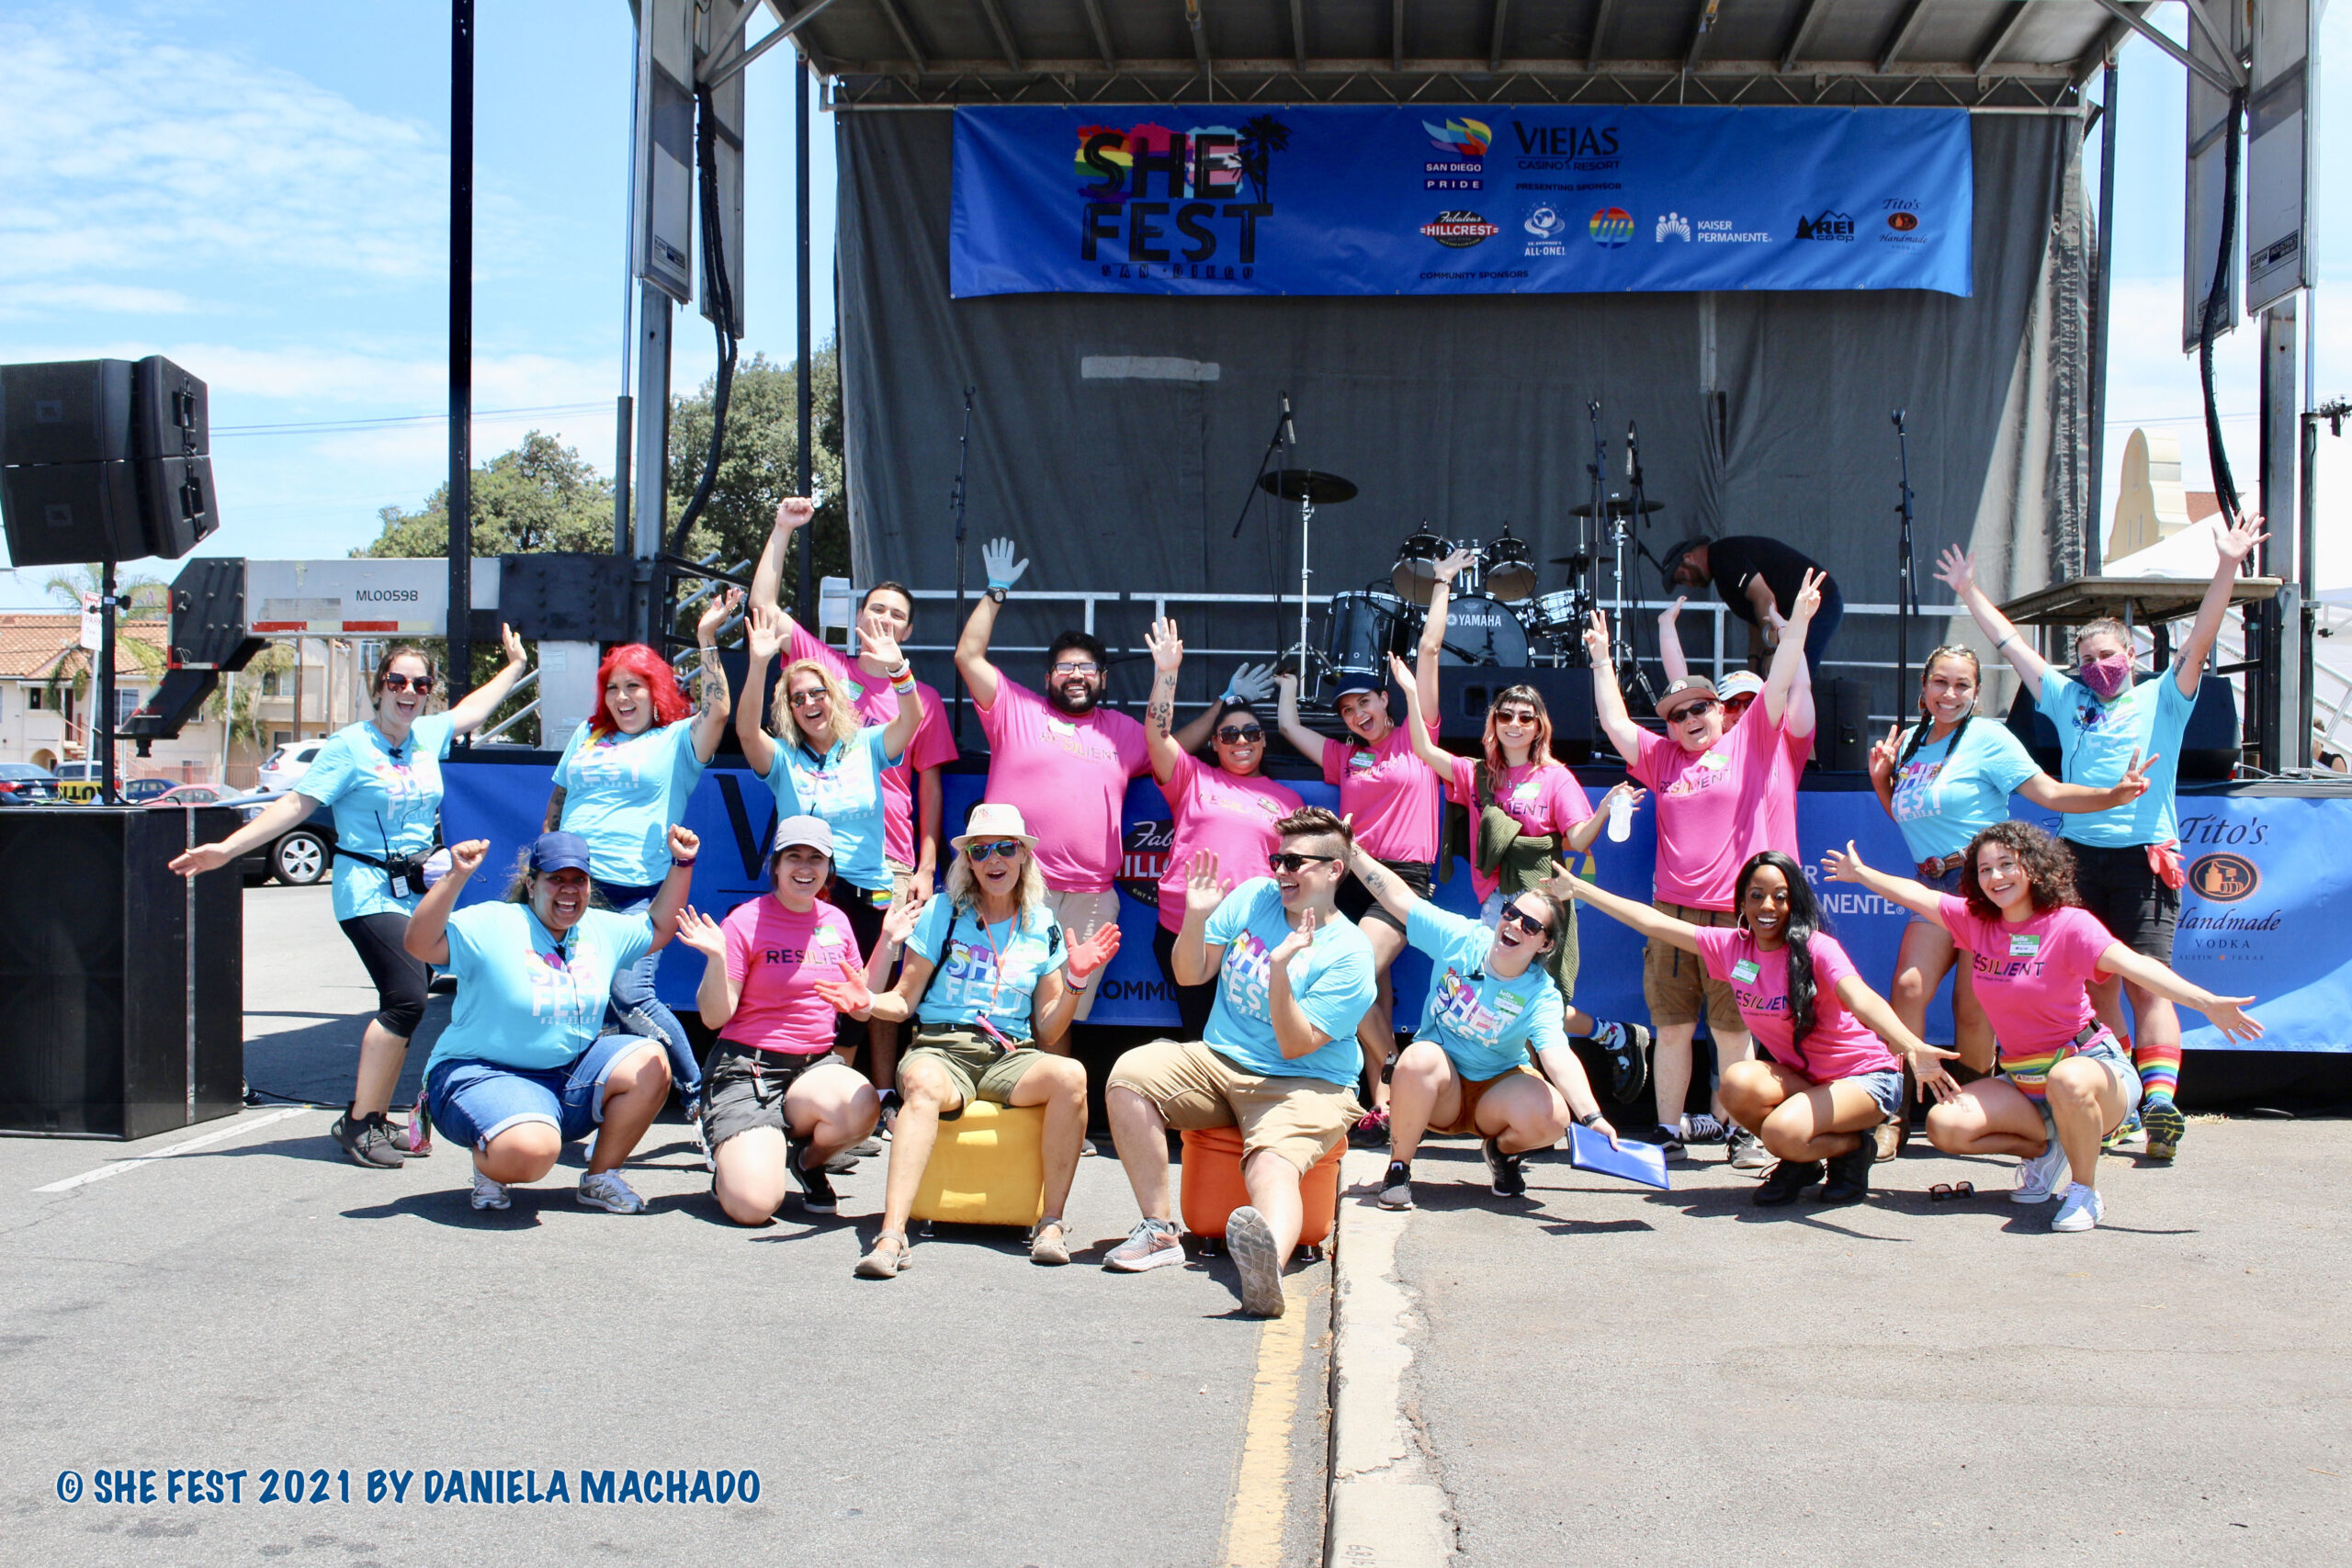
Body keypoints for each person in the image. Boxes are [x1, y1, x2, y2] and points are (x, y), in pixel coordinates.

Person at [1937, 513, 2264, 1160]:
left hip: (2145, 856)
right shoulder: (2066, 697)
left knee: (2149, 980)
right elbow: (2010, 645)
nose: (2097, 667)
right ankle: (2126, 1110)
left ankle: (2162, 1099)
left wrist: (2227, 564)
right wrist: (1970, 592)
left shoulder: (2167, 696)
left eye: (2108, 657)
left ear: (2133, 656)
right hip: (2076, 859)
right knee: (2095, 985)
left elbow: (2201, 635)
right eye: (2087, 659)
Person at [168, 631, 532, 1168]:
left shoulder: (425, 734)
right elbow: (295, 803)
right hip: (365, 891)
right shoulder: (348, 747)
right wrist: (227, 848)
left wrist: (517, 664)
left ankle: (378, 1117)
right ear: (378, 687)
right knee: (407, 997)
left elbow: (473, 710)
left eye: (420, 684)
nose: (409, 691)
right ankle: (359, 1122)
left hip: (417, 893)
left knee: (408, 1004)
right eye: (398, 681)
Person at [1825, 823, 2262, 1231]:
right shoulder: (1978, 921)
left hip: (2091, 1068)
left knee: (2068, 1080)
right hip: (2023, 1081)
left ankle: (2085, 1190)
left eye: (2006, 865)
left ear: (2032, 866)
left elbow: (2138, 966)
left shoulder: (2070, 925)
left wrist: (2206, 1002)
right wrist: (1861, 874)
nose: (1996, 877)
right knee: (1944, 1126)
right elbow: (1915, 895)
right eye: (1985, 870)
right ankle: (2048, 1148)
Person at [1865, 644, 2153, 1156]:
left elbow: (2050, 793)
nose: (1950, 694)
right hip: (1934, 886)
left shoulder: (1990, 738)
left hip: (1986, 890)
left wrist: (2113, 794)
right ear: (1923, 687)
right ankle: (1895, 1112)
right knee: (1908, 988)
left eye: (1962, 686)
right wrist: (1880, 780)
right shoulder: (1908, 743)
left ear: (1976, 693)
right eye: (1940, 683)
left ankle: (1973, 1102)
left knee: (1972, 1007)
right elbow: (1910, 817)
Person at [814, 804, 1119, 1278]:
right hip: (942, 1046)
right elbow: (903, 1001)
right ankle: (892, 1235)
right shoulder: (942, 912)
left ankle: (1052, 1224)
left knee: (1071, 1074)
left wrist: (1076, 981)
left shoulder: (1042, 924)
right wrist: (868, 1003)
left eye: (1006, 847)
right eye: (981, 850)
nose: (993, 858)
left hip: (1009, 1054)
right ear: (969, 861)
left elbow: (1049, 1029)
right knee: (919, 1083)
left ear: (1023, 857)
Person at [1555, 851, 1959, 1206]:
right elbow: (1652, 921)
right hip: (1806, 1080)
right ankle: (1823, 1157)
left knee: (1781, 1133)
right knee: (1737, 1084)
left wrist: (1910, 1045)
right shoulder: (1733, 948)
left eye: (1781, 896)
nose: (1769, 905)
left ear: (1795, 902)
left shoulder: (1816, 948)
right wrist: (1580, 889)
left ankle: (1841, 1149)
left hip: (1865, 1079)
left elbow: (1861, 998)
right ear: (1742, 904)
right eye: (1757, 895)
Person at [1583, 570, 1822, 1167]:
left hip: (1733, 922)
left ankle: (1742, 1134)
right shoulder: (1662, 757)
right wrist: (1601, 660)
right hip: (1671, 915)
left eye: (1700, 708)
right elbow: (1616, 724)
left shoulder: (1751, 742)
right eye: (1676, 712)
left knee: (1733, 1030)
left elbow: (1781, 683)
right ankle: (1667, 1131)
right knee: (1670, 1027)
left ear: (1720, 711)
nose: (1689, 718)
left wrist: (1798, 625)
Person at [1102, 808, 1376, 1318]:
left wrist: (1279, 970)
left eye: (1295, 861)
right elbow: (1189, 976)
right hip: (1221, 1061)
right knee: (1130, 1076)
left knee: (1271, 1164)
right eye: (1278, 858)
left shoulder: (1351, 953)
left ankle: (1266, 1266)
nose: (1281, 871)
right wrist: (1197, 915)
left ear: (1334, 870)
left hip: (1305, 1082)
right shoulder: (1253, 897)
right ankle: (1160, 1233)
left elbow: (1297, 1045)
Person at [753, 497, 964, 1091]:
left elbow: (929, 783)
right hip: (815, 856)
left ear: (909, 628)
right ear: (860, 615)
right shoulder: (826, 668)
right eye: (877, 609)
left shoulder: (914, 696)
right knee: (805, 975)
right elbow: (763, 608)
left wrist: (925, 867)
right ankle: (807, 1090)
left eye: (898, 615)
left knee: (873, 984)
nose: (886, 620)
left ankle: (875, 1093)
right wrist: (781, 530)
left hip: (887, 859)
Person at [1377, 653, 1653, 1102]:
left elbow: (1579, 840)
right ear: (1494, 722)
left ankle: (1539, 1103)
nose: (1514, 723)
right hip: (1495, 905)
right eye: (1505, 715)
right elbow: (1425, 751)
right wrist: (1410, 691)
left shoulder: (1556, 778)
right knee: (1500, 1004)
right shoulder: (1479, 774)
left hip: (1541, 904)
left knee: (1537, 1004)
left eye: (1525, 717)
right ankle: (1609, 1038)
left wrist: (1604, 809)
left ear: (1539, 726)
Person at [1272, 547, 1472, 1134]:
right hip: (1348, 878)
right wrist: (1287, 683)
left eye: (1365, 701)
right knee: (1372, 993)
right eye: (1347, 707)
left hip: (1403, 881)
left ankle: (1387, 1091)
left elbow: (1430, 650)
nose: (1357, 713)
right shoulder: (1345, 757)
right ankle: (1379, 1103)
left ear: (1386, 699)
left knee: (1351, 974)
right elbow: (1287, 727)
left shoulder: (1417, 737)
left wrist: (1441, 585)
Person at [404, 828, 697, 1214]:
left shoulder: (599, 928)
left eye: (579, 880)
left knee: (650, 1059)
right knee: (533, 1152)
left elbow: (659, 927)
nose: (569, 889)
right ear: (531, 884)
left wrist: (682, 863)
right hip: (481, 1073)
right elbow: (419, 945)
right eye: (555, 879)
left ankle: (600, 1177)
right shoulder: (493, 922)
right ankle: (492, 1162)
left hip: (565, 1076)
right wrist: (455, 875)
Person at [1336, 840, 1619, 1212]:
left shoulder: (1541, 994)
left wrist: (1593, 1116)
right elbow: (1399, 899)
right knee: (1418, 1058)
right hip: (1440, 1090)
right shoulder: (1461, 938)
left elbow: (1557, 1056)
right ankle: (1399, 1168)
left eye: (1530, 925)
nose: (1514, 924)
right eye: (1511, 912)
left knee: (1554, 1117)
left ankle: (1500, 1153)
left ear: (1545, 944)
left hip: (1496, 1093)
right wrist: (1350, 849)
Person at [541, 593, 740, 1116]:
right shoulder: (587, 735)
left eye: (634, 686)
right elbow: (559, 802)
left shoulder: (676, 740)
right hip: (567, 889)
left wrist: (706, 638)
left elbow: (718, 709)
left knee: (632, 997)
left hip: (634, 892)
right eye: (613, 688)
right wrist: (539, 868)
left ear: (656, 694)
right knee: (573, 1001)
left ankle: (700, 1094)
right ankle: (580, 1101)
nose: (622, 698)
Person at [954, 537, 1150, 1032]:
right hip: (1015, 886)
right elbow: (968, 656)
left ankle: (1050, 1101)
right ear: (1048, 678)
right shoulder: (1014, 710)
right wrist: (995, 591)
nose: (1077, 674)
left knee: (1059, 1017)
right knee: (993, 1003)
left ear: (1103, 679)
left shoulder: (1123, 731)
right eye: (1066, 667)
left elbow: (1171, 748)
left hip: (1089, 898)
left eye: (1088, 667)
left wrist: (1224, 707)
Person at [737, 600, 924, 1084]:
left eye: (817, 693)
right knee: (806, 993)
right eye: (797, 698)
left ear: (834, 697)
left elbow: (912, 720)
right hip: (808, 893)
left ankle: (835, 1099)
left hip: (868, 891)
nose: (809, 704)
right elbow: (744, 731)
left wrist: (897, 667)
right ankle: (800, 1094)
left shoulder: (866, 746)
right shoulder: (781, 757)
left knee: (856, 1003)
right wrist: (759, 664)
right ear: (788, 708)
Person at [668, 816, 883, 1225]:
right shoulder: (745, 921)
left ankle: (806, 1161)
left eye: (816, 858)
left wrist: (886, 944)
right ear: (777, 866)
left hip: (814, 1066)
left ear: (829, 868)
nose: (805, 868)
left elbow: (859, 1006)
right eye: (794, 857)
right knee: (753, 1206)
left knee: (861, 1107)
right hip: (748, 1067)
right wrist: (716, 958)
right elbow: (715, 1018)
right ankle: (732, 1154)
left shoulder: (835, 922)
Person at [1140, 616, 1304, 1037]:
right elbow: (1157, 737)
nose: (1241, 741)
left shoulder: (1288, 801)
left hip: (1252, 939)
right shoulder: (1193, 778)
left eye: (1251, 732)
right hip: (1185, 927)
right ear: (1214, 743)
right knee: (1199, 1033)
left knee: (1245, 1038)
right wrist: (1166, 673)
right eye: (1229, 734)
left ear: (1264, 740)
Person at [1661, 535, 1843, 667]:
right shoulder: (1722, 574)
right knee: (1783, 675)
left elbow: (1764, 598)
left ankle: (1800, 718)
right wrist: (1754, 660)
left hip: (1819, 603)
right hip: (1794, 612)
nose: (1690, 585)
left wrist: (1770, 651)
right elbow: (1756, 616)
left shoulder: (1724, 556)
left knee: (1794, 674)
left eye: (1683, 577)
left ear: (1688, 558)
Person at [1657, 596, 1764, 723]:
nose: (1742, 713)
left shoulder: (1773, 737)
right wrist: (1666, 623)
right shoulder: (1708, 740)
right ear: (1719, 711)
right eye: (1732, 704)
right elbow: (1681, 692)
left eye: (1751, 703)